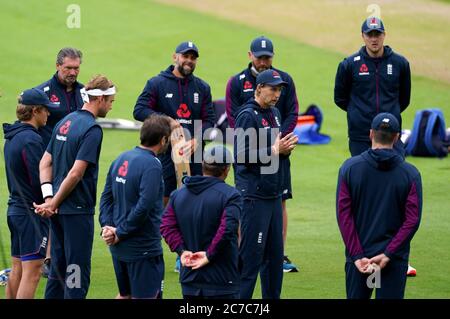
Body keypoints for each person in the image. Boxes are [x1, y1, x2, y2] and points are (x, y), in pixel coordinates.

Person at [133, 41, 216, 272]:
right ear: (175, 57)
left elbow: (209, 120)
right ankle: (153, 251)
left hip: (194, 155)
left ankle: (186, 254)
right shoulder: (157, 83)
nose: (189, 61)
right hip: (165, 155)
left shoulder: (202, 87)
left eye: (193, 57)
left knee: (192, 204)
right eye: (185, 56)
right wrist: (166, 120)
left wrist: (198, 138)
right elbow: (139, 110)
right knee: (164, 203)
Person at [33, 74, 116, 299]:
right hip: (77, 211)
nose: (110, 106)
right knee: (76, 270)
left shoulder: (64, 121)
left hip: (58, 211)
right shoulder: (92, 129)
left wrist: (50, 200)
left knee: (58, 268)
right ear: (100, 99)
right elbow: (76, 173)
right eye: (110, 101)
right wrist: (54, 203)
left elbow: (45, 162)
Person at [226, 36, 300, 272]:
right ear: (251, 56)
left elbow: (291, 112)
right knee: (250, 218)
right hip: (254, 175)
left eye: (268, 57)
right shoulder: (238, 85)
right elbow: (236, 125)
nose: (264, 62)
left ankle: (277, 252)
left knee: (280, 200)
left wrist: (281, 143)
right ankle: (245, 249)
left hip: (276, 159)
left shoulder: (281, 91)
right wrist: (273, 148)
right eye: (260, 57)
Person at [336, 112, 422, 299]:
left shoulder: (350, 168)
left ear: (370, 134)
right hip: (392, 260)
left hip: (362, 261)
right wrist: (389, 253)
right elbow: (412, 220)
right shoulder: (410, 174)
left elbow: (344, 216)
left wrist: (357, 255)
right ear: (397, 137)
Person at [234, 69, 298, 299]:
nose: (277, 94)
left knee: (274, 261)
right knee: (250, 261)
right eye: (273, 89)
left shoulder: (275, 113)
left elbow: (274, 152)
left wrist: (284, 148)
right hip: (254, 197)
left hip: (272, 195)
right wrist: (274, 149)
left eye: (280, 89)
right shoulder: (247, 116)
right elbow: (241, 155)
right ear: (259, 88)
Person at [99, 115, 173, 299]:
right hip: (142, 248)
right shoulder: (152, 165)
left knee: (125, 295)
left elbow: (106, 197)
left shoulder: (121, 158)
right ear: (163, 139)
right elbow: (144, 206)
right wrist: (120, 232)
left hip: (118, 248)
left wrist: (108, 228)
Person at [160, 145, 242, 299]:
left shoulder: (178, 195)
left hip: (190, 277)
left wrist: (182, 251)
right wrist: (209, 255)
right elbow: (227, 229)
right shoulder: (231, 195)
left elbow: (166, 226)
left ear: (203, 166)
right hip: (222, 279)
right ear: (226, 169)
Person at [3, 88, 58, 298]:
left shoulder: (13, 136)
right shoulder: (31, 140)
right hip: (31, 215)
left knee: (17, 270)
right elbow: (38, 179)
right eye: (45, 110)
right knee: (33, 272)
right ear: (35, 110)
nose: (48, 114)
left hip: (16, 210)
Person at [35, 47, 84, 277]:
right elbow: (30, 121)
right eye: (68, 68)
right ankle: (45, 257)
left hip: (76, 162)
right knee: (48, 206)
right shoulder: (42, 93)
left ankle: (56, 256)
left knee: (64, 207)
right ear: (57, 66)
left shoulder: (84, 93)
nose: (73, 72)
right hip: (50, 162)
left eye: (76, 68)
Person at [334, 17, 411, 157]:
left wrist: (389, 115)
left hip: (390, 134)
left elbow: (404, 100)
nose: (374, 39)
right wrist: (358, 112)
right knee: (362, 177)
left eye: (378, 34)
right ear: (363, 36)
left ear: (384, 35)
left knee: (393, 177)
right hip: (360, 136)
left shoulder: (400, 63)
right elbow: (340, 98)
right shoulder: (349, 65)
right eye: (370, 35)